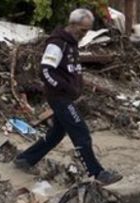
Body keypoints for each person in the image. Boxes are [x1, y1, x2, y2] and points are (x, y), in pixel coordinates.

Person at [15, 8, 122, 186]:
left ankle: (25, 160)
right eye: (82, 30)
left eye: (87, 30)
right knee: (81, 132)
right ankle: (97, 174)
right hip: (59, 98)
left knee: (57, 133)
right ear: (72, 25)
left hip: (65, 97)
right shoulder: (58, 44)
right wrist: (62, 89)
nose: (84, 34)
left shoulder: (71, 43)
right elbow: (46, 71)